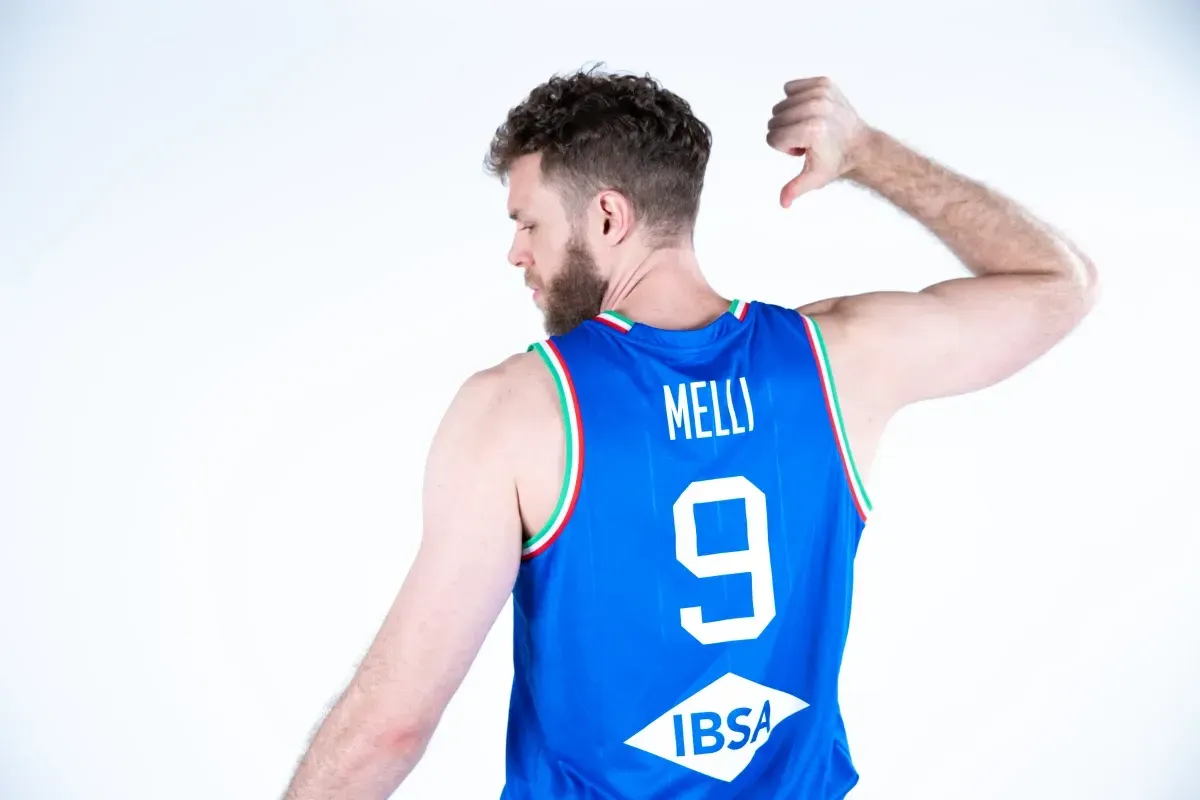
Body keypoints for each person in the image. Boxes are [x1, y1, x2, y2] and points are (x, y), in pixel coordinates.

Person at [281, 68, 1098, 799]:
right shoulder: (838, 363)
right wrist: (866, 152)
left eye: (528, 222)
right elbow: (1058, 284)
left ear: (607, 216)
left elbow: (391, 727)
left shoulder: (521, 408)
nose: (515, 253)